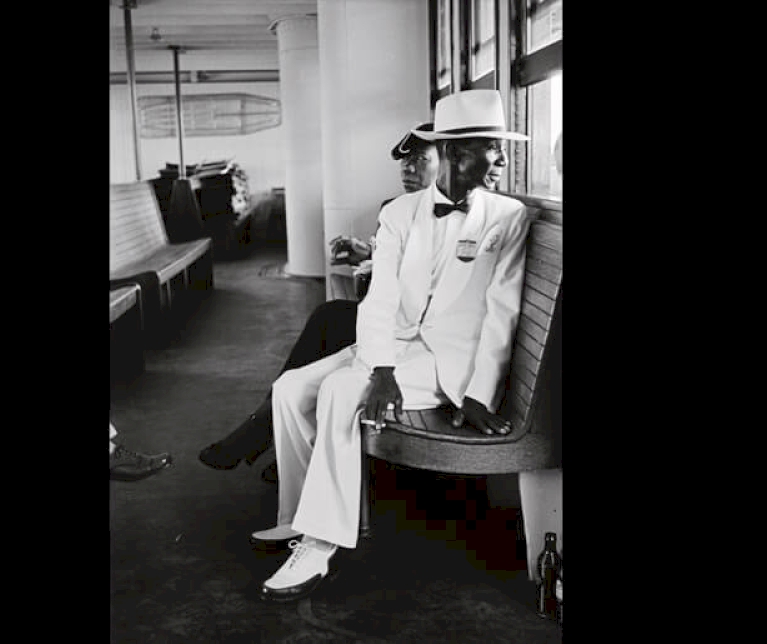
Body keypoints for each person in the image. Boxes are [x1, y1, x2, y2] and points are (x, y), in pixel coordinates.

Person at [256, 89, 532, 602]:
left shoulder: (507, 216)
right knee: (291, 388)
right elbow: (379, 299)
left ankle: (321, 544)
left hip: (450, 361)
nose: (501, 159)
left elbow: (503, 310)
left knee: (340, 391)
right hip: (396, 348)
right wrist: (380, 366)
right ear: (451, 151)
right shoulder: (400, 214)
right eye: (489, 147)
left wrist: (478, 393)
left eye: (501, 147)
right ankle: (297, 517)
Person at [197, 123, 440, 480]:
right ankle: (276, 435)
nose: (408, 169)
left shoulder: (457, 216)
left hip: (416, 337)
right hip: (396, 320)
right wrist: (366, 254)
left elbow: (423, 285)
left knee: (331, 321)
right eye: (405, 163)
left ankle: (267, 432)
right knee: (330, 320)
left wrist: (374, 269)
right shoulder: (403, 209)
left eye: (421, 160)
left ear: (448, 162)